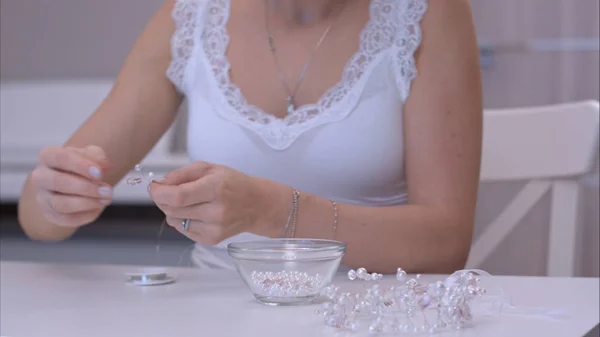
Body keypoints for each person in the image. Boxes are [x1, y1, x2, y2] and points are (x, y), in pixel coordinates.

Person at [17, 0, 483, 274]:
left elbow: (445, 243)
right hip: (216, 315)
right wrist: (57, 200)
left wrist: (271, 210)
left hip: (375, 314)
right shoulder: (191, 18)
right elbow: (37, 217)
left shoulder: (424, 14)